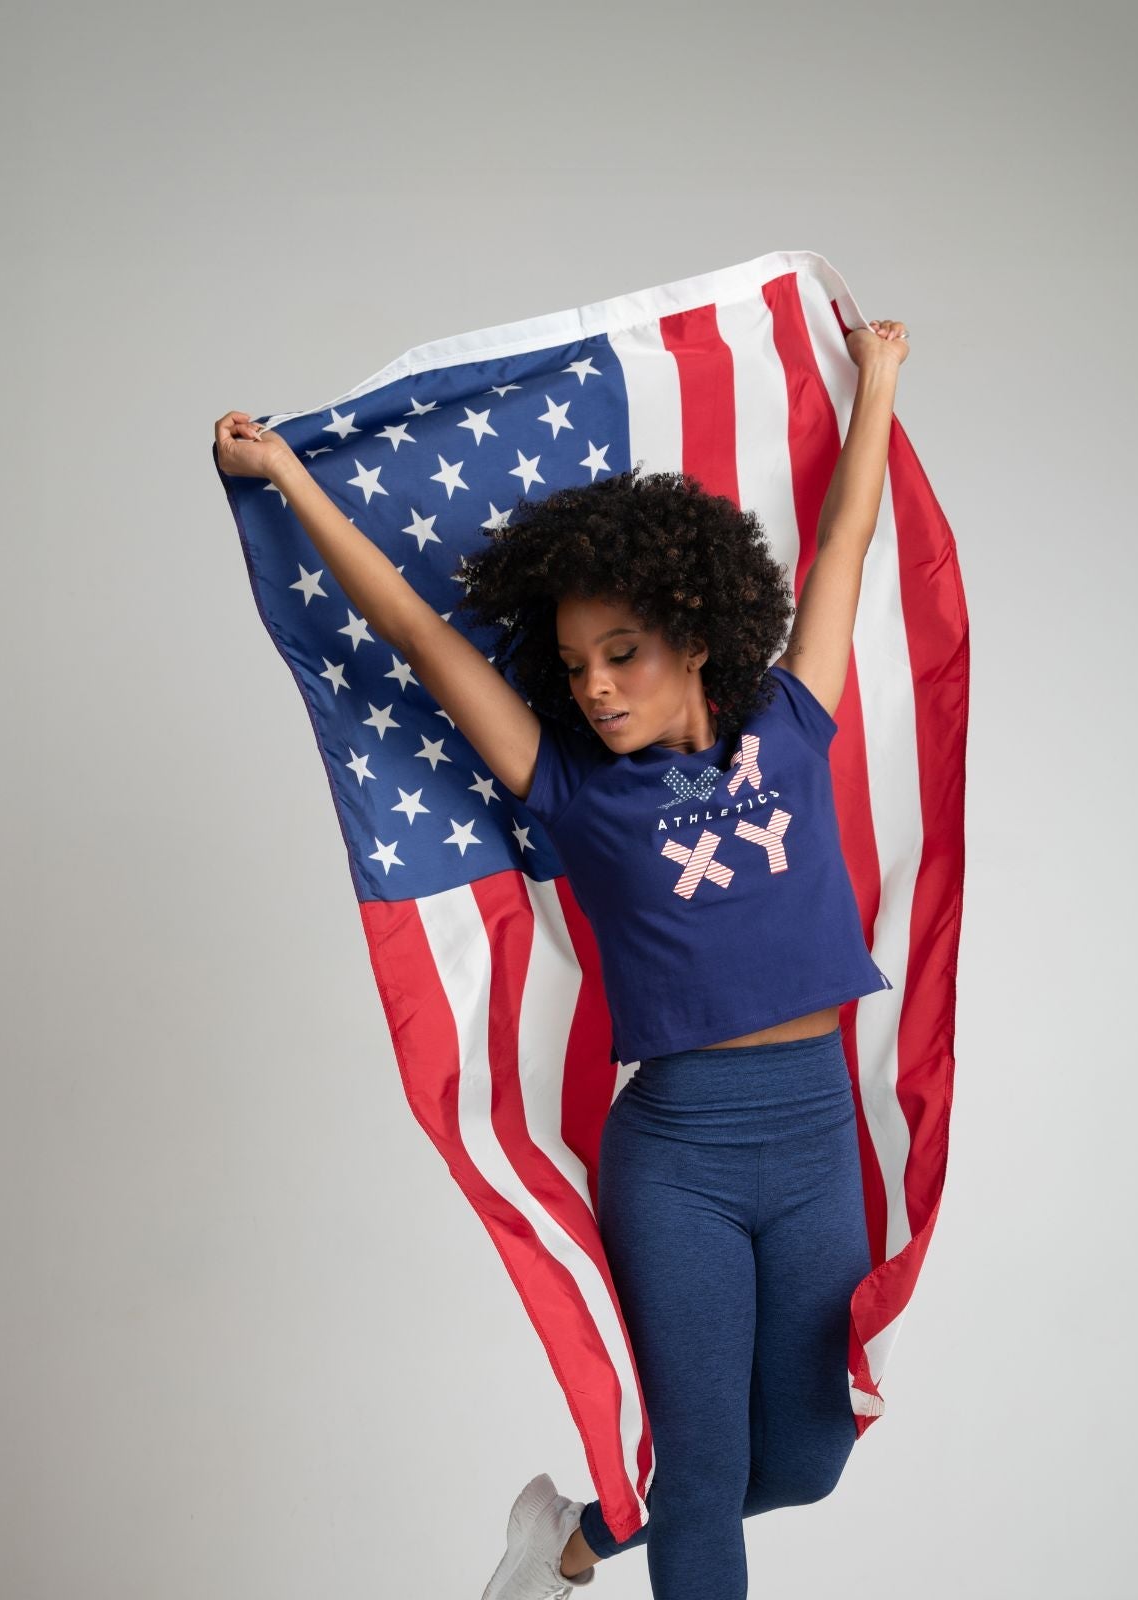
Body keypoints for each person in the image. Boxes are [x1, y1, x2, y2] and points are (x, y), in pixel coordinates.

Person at [207, 317, 912, 1600]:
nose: (591, 687)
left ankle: (571, 1544)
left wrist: (879, 385)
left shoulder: (793, 725)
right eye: (575, 663)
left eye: (621, 654)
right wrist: (294, 479)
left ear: (694, 633)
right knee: (700, 1476)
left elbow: (843, 542)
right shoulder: (572, 789)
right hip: (683, 1163)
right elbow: (426, 641)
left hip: (815, 1147)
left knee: (804, 1460)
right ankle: (629, 1531)